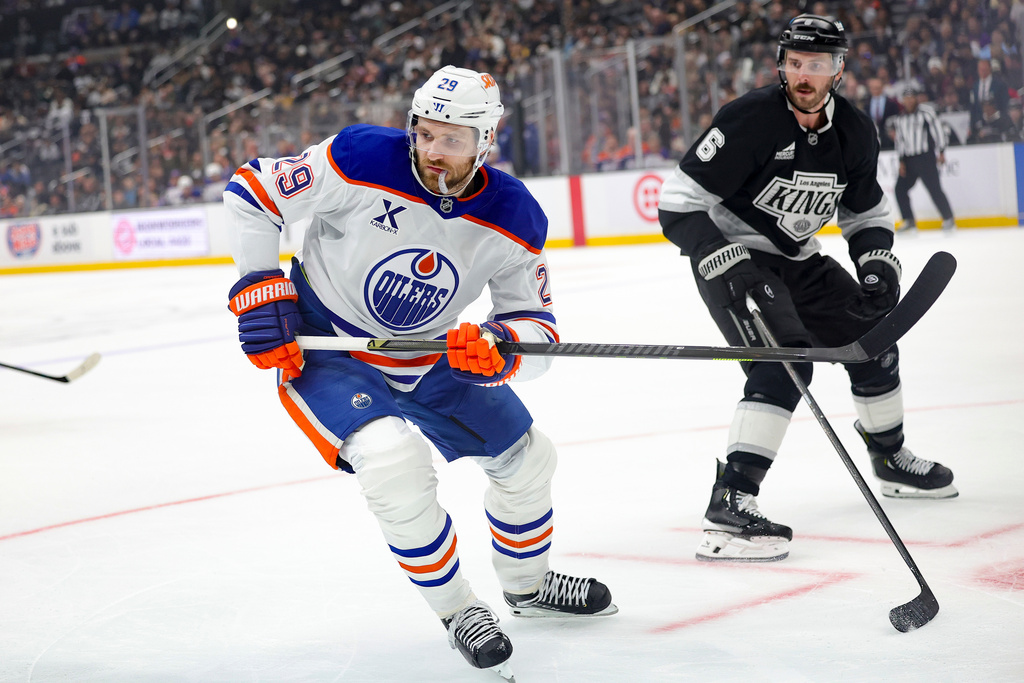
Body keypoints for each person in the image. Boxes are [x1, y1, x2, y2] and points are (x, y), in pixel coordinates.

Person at [222, 65, 616, 680]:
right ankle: (459, 612)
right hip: (327, 347)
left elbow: (536, 328)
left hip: (427, 354)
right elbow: (254, 191)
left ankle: (528, 586)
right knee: (392, 461)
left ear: (486, 141)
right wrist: (257, 282)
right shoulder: (358, 157)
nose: (432, 151)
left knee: (527, 457)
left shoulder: (515, 213)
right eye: (424, 133)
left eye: (452, 139)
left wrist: (501, 345)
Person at [657, 15, 958, 563]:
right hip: (735, 261)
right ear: (781, 63)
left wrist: (877, 264)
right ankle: (730, 504)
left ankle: (890, 459)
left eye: (816, 65)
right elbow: (677, 204)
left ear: (837, 70)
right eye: (795, 62)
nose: (803, 74)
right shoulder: (749, 120)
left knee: (874, 341)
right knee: (784, 363)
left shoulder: (855, 132)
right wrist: (720, 256)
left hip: (799, 259)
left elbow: (865, 212)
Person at [888, 83, 956, 231]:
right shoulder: (900, 119)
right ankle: (909, 220)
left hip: (925, 157)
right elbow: (900, 141)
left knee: (934, 189)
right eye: (906, 98)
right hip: (909, 159)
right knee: (900, 189)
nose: (909, 101)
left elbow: (938, 130)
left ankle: (948, 218)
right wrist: (901, 161)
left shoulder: (926, 112)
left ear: (916, 98)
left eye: (911, 97)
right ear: (903, 100)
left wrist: (942, 151)